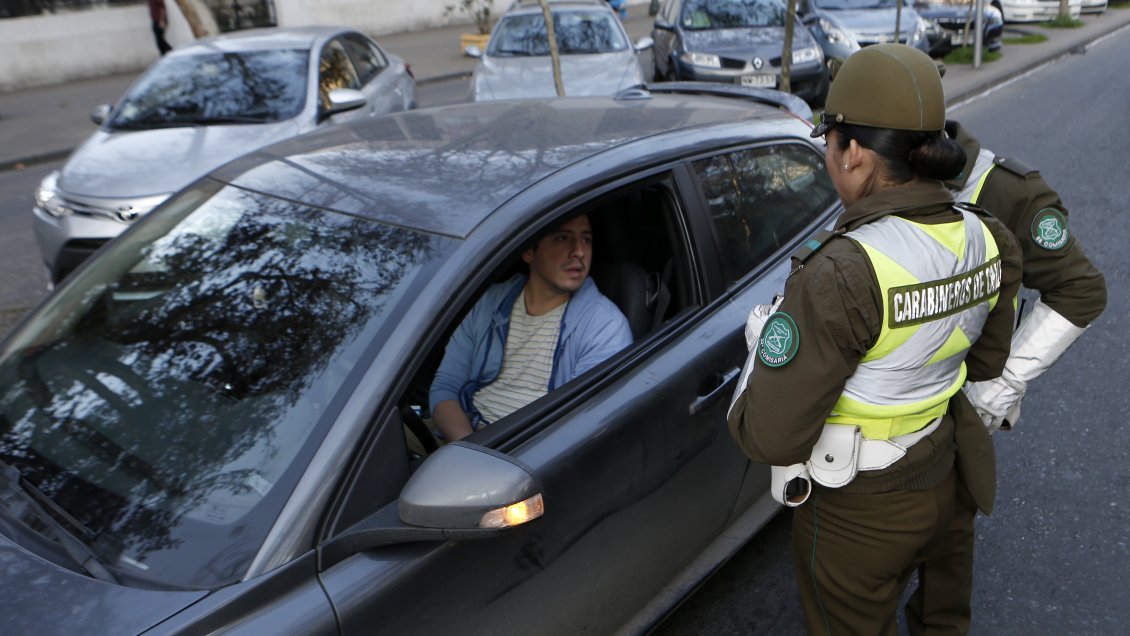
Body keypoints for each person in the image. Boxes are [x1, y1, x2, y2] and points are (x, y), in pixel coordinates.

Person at [726, 43, 1024, 634]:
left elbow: (770, 436)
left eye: (828, 144)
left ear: (855, 154)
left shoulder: (842, 270)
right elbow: (984, 364)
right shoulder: (989, 237)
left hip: (858, 511)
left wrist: (763, 345)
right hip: (943, 477)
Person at [901, 121, 1108, 633]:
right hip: (873, 415)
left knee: (943, 583)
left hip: (954, 415)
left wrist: (1000, 385)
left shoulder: (1003, 189)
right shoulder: (874, 173)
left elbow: (1081, 290)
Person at [429, 214, 632, 442]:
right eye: (562, 238)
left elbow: (581, 427)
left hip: (531, 456)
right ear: (528, 252)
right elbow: (445, 388)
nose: (579, 252)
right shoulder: (486, 304)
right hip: (464, 435)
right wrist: (468, 448)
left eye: (586, 240)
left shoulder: (605, 326)